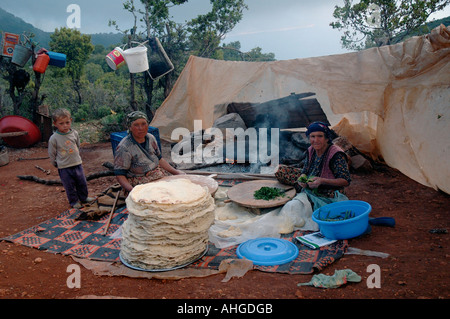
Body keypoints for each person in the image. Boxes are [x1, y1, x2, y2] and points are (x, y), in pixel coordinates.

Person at [275, 121, 351, 232]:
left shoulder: (336, 154)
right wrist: (302, 179)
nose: (316, 140)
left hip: (328, 193)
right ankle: (302, 191)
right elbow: (305, 170)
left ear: (326, 138)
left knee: (295, 208)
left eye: (320, 136)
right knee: (281, 170)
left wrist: (322, 181)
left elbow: (345, 181)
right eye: (312, 136)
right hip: (311, 185)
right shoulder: (311, 150)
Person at [114, 111, 185, 192]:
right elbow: (120, 174)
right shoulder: (124, 147)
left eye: (143, 124)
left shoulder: (151, 138)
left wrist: (176, 172)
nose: (141, 128)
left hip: (156, 175)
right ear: (130, 127)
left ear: (148, 125)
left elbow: (160, 159)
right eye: (136, 125)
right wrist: (133, 191)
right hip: (139, 181)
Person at [48, 108, 95, 209]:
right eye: (61, 123)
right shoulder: (54, 138)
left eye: (67, 122)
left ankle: (84, 197)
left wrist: (76, 157)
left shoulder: (74, 133)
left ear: (71, 121)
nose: (65, 125)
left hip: (77, 163)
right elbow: (52, 153)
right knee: (69, 185)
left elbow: (77, 145)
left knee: (82, 182)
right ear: (55, 124)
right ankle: (74, 202)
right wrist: (54, 163)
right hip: (64, 167)